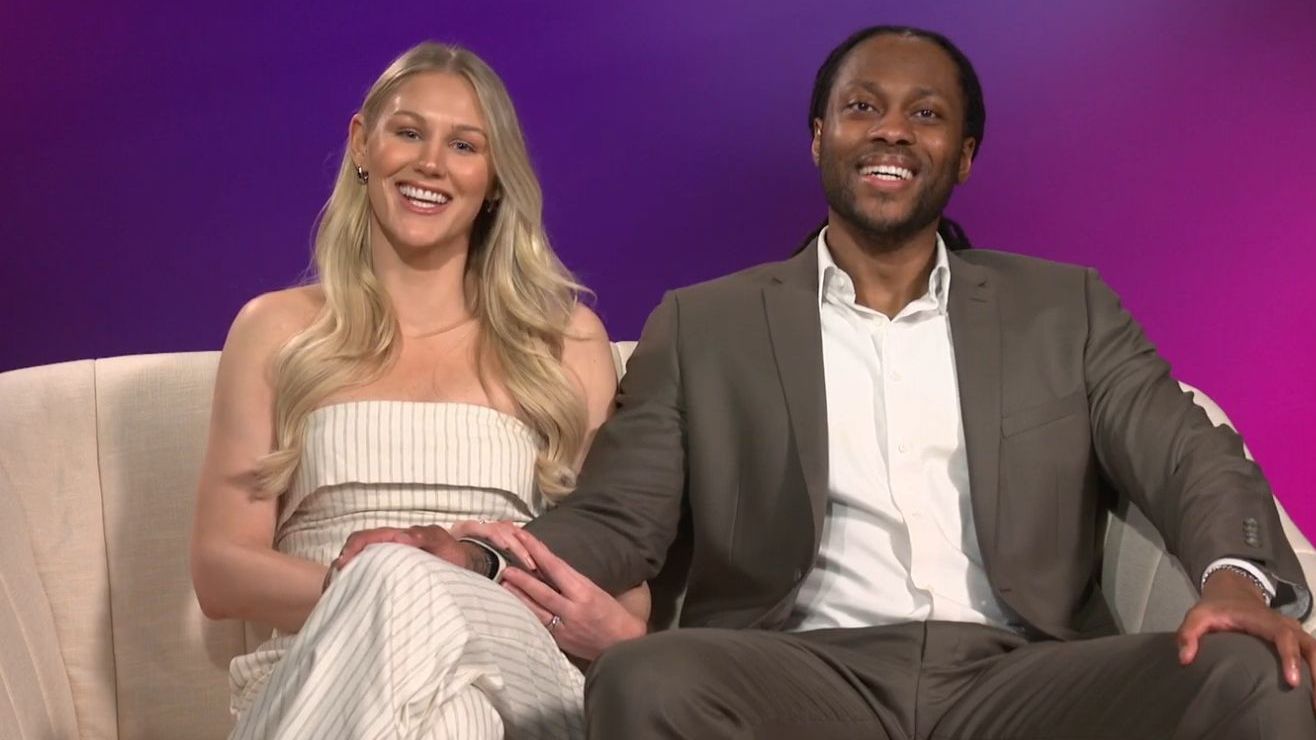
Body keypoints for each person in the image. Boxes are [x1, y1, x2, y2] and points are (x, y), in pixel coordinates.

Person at [341, 25, 1316, 738]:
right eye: (861, 107)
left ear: (963, 154)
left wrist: (1234, 581)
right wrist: (479, 553)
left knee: (1253, 670)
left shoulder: (1065, 308)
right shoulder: (707, 325)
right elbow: (616, 518)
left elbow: (1188, 453)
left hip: (1028, 674)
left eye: (924, 114)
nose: (890, 131)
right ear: (818, 137)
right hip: (797, 671)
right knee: (646, 679)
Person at [189, 42, 646, 739]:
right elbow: (220, 572)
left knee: (403, 581)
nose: (430, 163)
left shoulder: (564, 341)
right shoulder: (275, 331)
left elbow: (625, 583)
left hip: (520, 661)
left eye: (463, 145)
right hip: (317, 669)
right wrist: (374, 592)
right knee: (455, 721)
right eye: (408, 132)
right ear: (361, 143)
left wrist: (409, 580)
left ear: (494, 177)